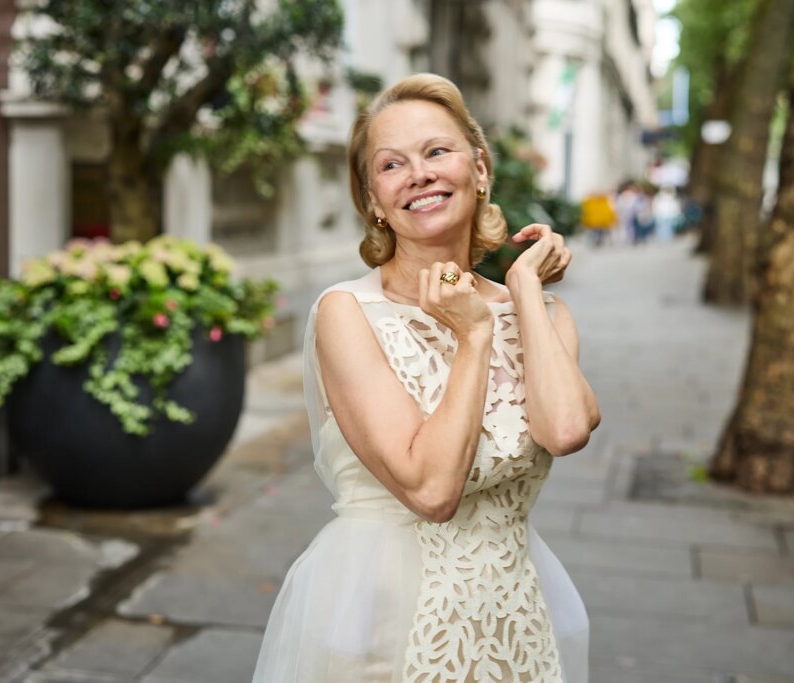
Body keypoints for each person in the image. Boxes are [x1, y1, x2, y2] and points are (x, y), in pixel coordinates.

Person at [251, 73, 600, 683]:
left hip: (514, 618)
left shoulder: (542, 313)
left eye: (437, 151)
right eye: (392, 165)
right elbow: (431, 491)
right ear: (375, 202)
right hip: (381, 623)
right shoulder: (347, 314)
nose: (419, 174)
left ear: (480, 169)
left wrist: (520, 288)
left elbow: (566, 428)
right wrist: (473, 336)